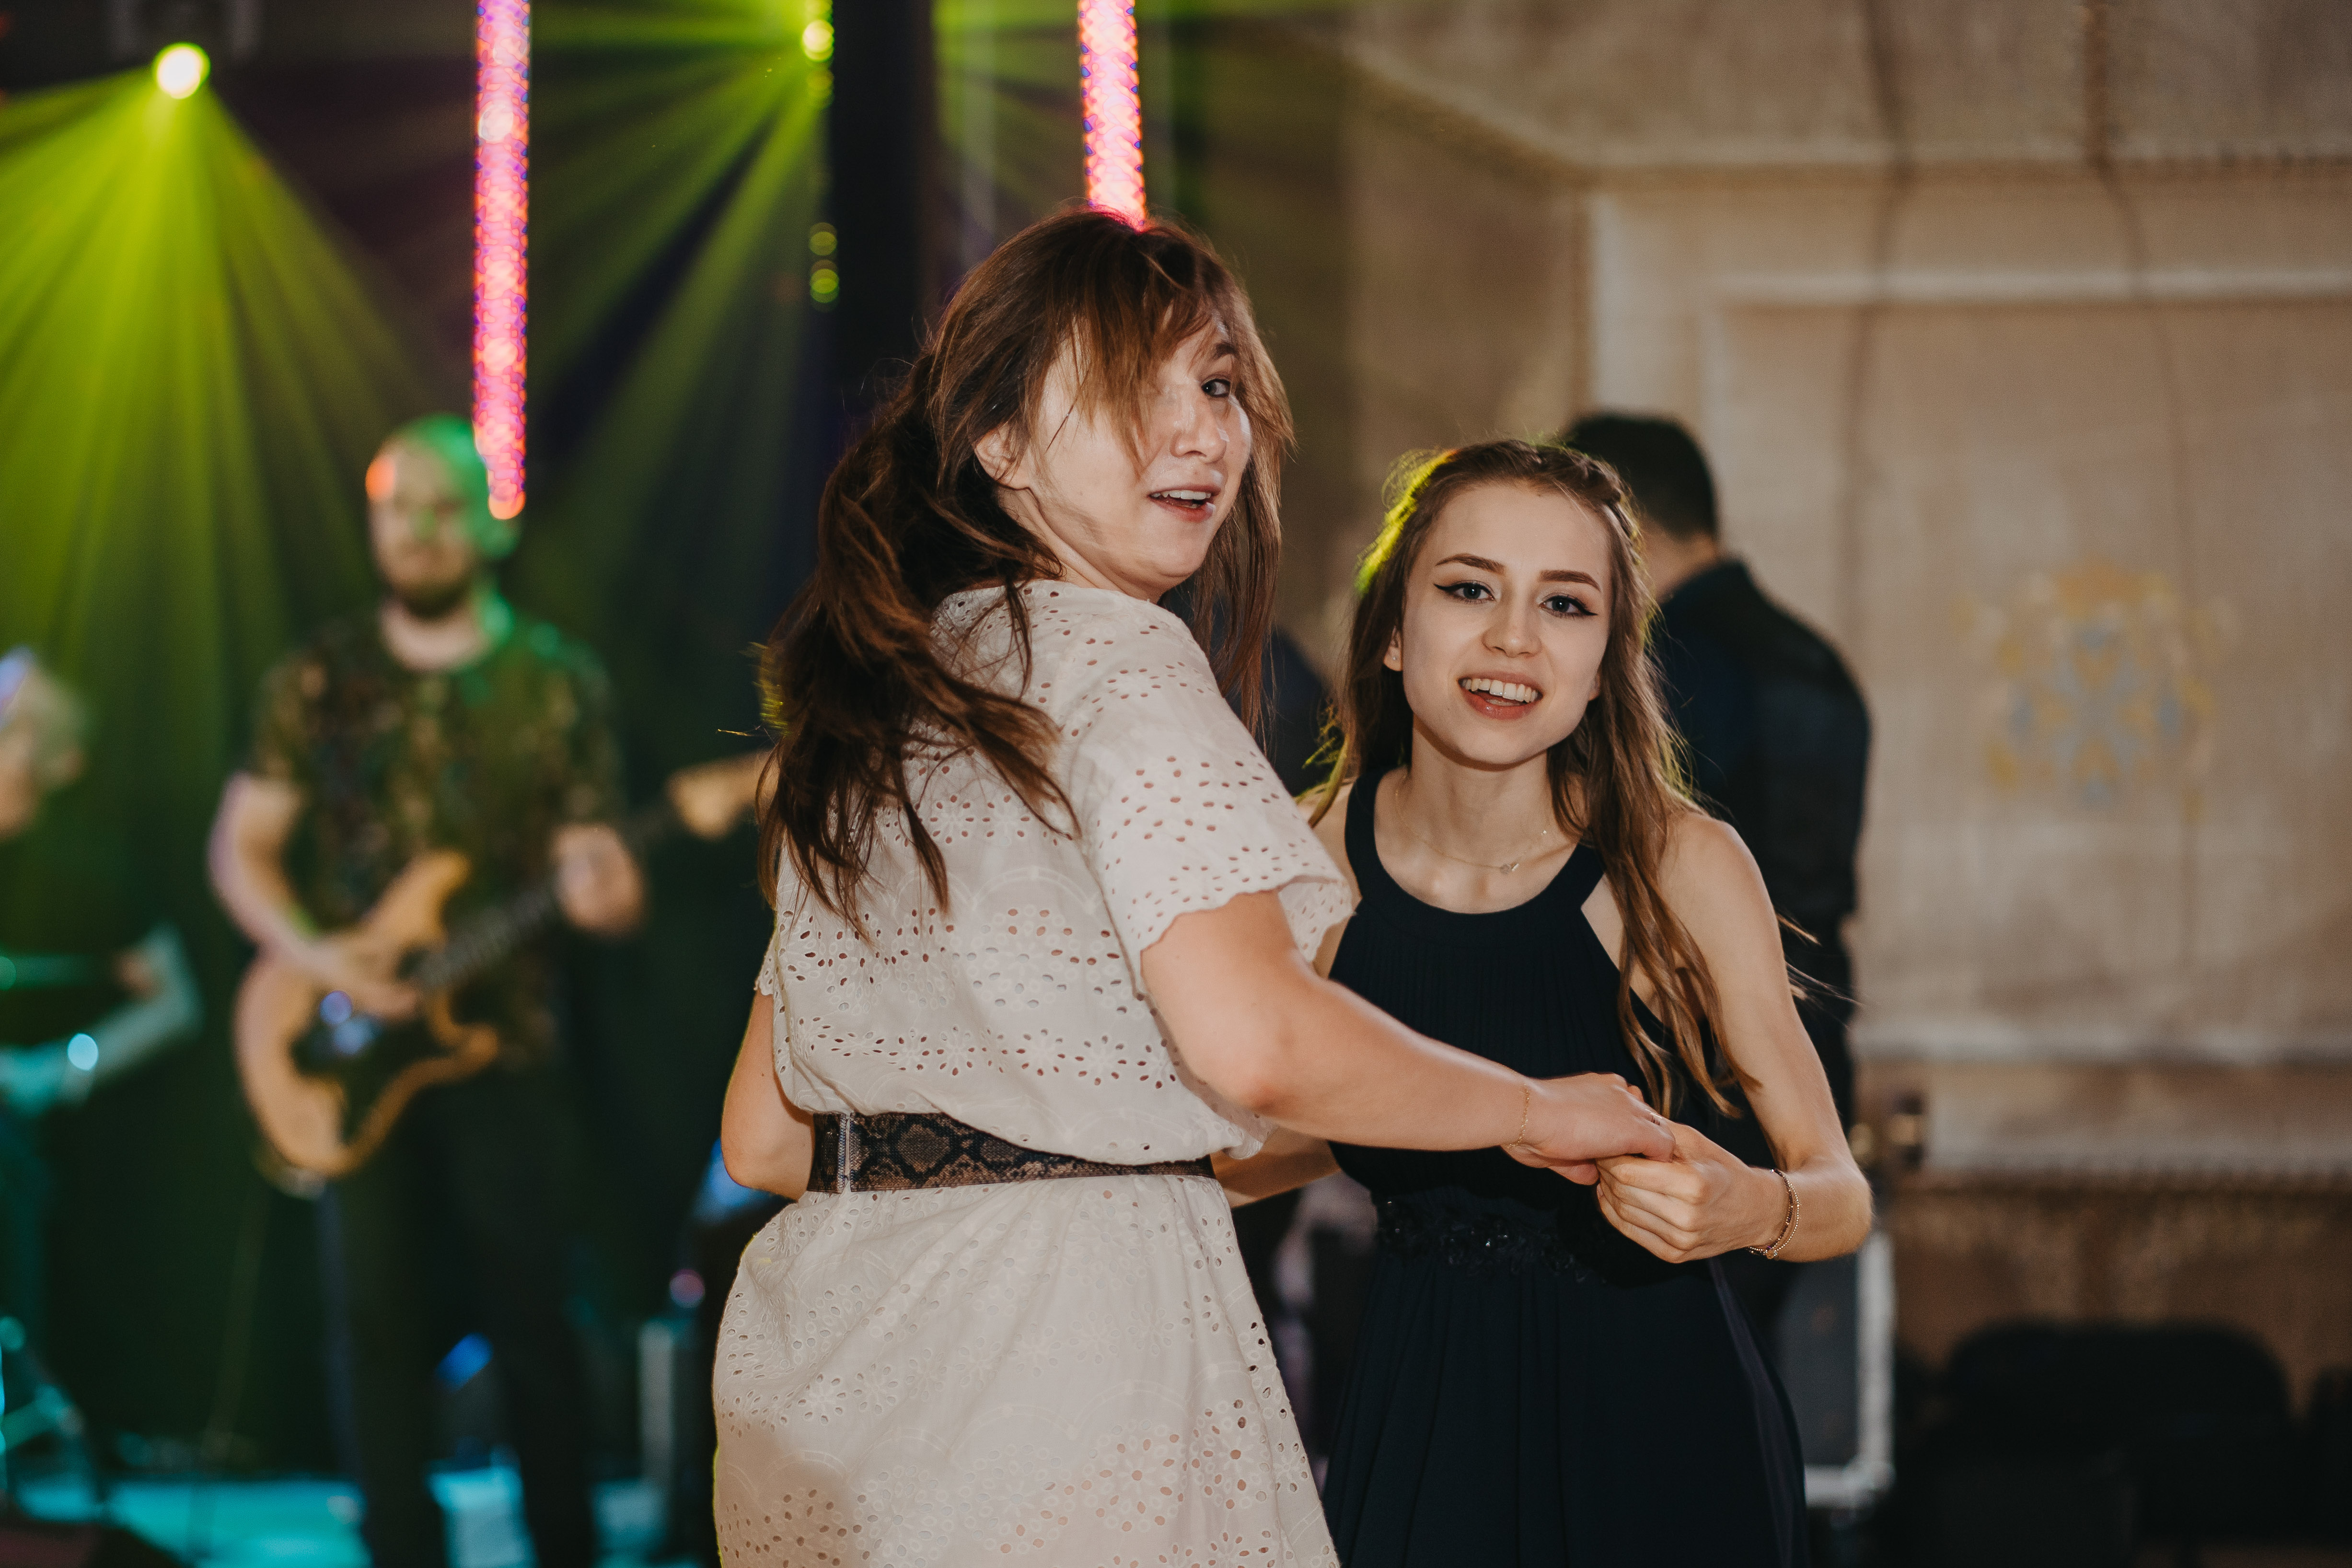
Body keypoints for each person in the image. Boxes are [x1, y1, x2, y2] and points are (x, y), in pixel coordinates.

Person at [710, 209, 1676, 1567]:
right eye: (1135, 385)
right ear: (997, 443)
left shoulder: (877, 708)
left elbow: (763, 1137)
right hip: (1065, 1370)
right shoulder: (1124, 665)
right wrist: (1525, 1108)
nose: (1203, 435)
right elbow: (1257, 1044)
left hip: (829, 1365)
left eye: (1218, 386)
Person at [1217, 440, 1872, 1566]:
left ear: (1606, 662)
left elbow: (1838, 1193)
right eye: (1469, 588)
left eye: (1564, 604)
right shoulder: (1303, 854)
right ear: (1392, 629)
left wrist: (1746, 1207)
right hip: (1420, 1416)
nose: (1514, 638)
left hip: (1663, 1438)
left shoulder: (1679, 862)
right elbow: (1276, 1140)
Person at [208, 415, 647, 1568]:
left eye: (442, 505)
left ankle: (565, 1549)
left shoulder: (556, 682)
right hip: (353, 1044)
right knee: (371, 1329)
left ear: (489, 523)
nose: (418, 529)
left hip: (507, 1046)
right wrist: (319, 957)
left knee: (535, 1321)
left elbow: (597, 874)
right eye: (398, 508)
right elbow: (241, 849)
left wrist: (608, 892)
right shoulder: (322, 678)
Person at [1562, 412, 1871, 1337]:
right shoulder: (1817, 657)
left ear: (1622, 523)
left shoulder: (1667, 662)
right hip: (1813, 1038)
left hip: (1686, 1054)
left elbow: (1622, 860)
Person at [0, 650, 201, 1352]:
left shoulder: (87, 871)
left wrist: (58, 1070)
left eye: (19, 724)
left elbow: (176, 1003)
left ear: (62, 762)